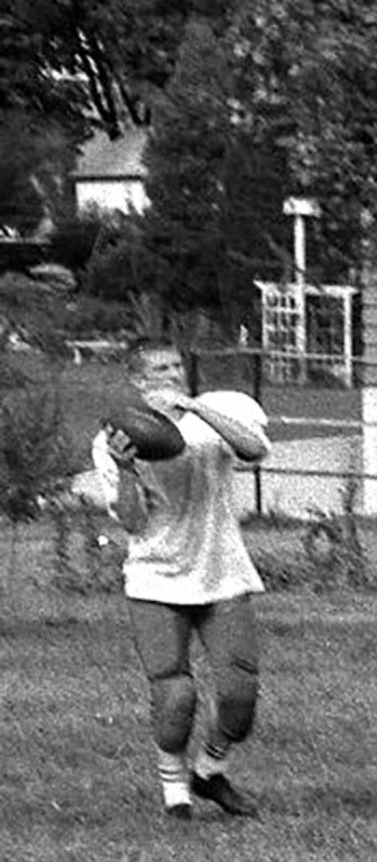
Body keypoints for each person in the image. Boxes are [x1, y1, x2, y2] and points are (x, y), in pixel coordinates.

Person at [86, 334, 274, 820]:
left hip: (222, 572)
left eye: (176, 367)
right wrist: (127, 470)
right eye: (159, 372)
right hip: (156, 579)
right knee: (176, 693)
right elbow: (130, 521)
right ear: (137, 382)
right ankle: (176, 793)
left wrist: (194, 406)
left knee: (239, 692)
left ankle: (210, 773)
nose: (171, 376)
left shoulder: (218, 412)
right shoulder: (115, 439)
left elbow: (254, 449)